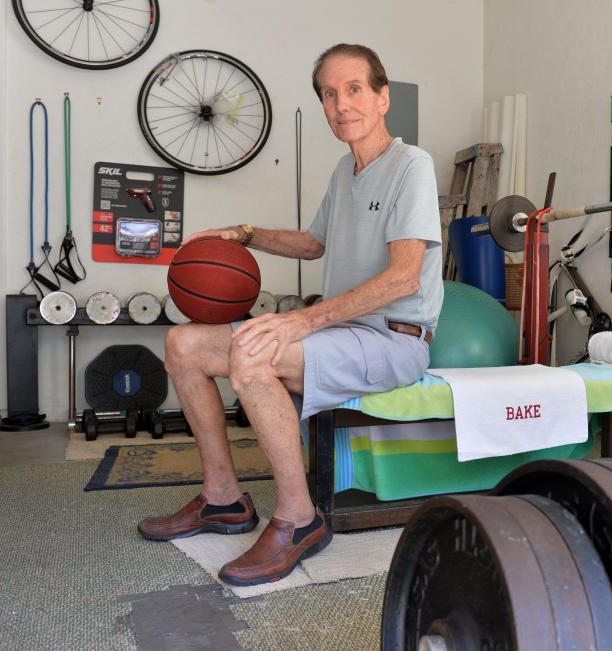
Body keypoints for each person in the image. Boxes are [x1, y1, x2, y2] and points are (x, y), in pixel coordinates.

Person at [137, 44, 443, 586]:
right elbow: (313, 244)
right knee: (183, 343)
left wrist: (302, 320)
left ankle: (300, 520)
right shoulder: (345, 173)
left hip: (396, 341)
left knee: (253, 355)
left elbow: (404, 277)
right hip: (343, 333)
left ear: (382, 97)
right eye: (329, 94)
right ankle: (223, 499)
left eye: (353, 89)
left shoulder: (410, 165)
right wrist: (246, 235)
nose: (341, 104)